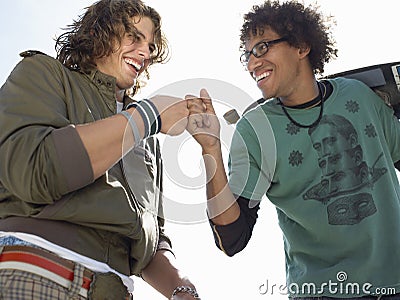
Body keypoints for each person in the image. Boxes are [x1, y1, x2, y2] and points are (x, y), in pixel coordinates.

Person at [186, 0, 400, 299]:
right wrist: (210, 148)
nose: (252, 63)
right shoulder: (256, 130)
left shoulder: (360, 97)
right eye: (247, 55)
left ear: (301, 46)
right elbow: (232, 238)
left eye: (262, 48)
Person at [0, 0, 200, 299]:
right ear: (99, 32)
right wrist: (147, 117)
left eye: (151, 46)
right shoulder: (44, 74)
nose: (145, 53)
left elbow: (151, 239)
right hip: (38, 274)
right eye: (134, 37)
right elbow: (33, 170)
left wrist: (183, 290)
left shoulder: (147, 138)